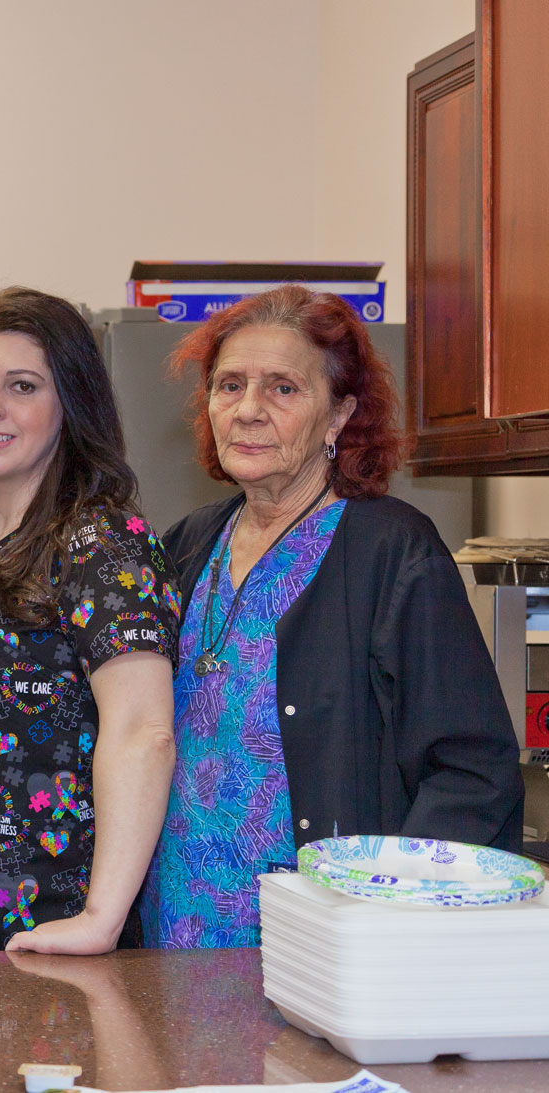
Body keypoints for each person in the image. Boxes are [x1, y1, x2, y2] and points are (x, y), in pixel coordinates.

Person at [143, 285, 524, 949]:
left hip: (320, 954)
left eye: (283, 388)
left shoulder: (393, 551)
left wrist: (386, 925)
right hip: (169, 941)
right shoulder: (186, 544)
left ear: (339, 415)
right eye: (230, 385)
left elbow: (472, 770)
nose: (248, 409)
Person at [0, 287, 179, 955]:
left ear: (71, 402)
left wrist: (100, 920)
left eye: (22, 386)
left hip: (60, 932)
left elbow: (143, 731)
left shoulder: (102, 542)